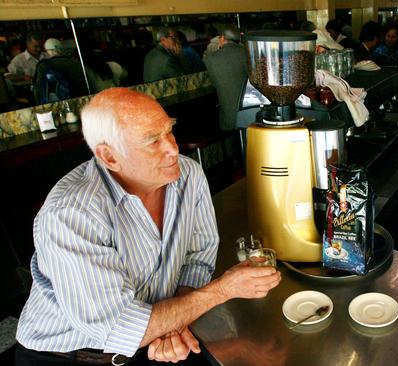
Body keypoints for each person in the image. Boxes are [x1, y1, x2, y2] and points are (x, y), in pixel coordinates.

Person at [15, 88, 282, 365]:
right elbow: (120, 328)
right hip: (68, 356)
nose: (173, 148)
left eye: (170, 131)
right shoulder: (72, 214)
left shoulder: (188, 175)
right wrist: (224, 289)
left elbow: (196, 259)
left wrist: (174, 323)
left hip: (150, 342)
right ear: (109, 157)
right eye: (153, 141)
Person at [204, 27, 248, 131]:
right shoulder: (247, 53)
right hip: (250, 114)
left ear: (222, 38)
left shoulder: (210, 59)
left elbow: (214, 83)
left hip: (228, 116)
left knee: (233, 145)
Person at [32, 38, 88, 103]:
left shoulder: (44, 66)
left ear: (47, 51)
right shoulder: (75, 62)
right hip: (80, 99)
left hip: (57, 103)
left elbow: (38, 90)